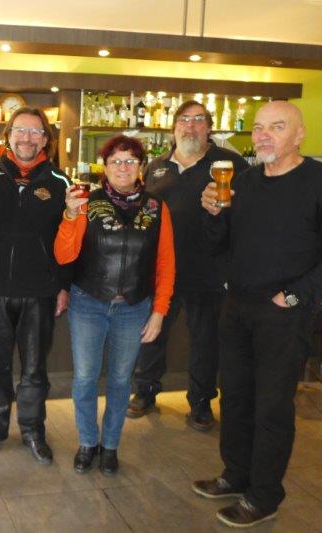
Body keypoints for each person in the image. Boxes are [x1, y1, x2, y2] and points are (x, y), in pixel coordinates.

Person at [194, 101, 322, 528]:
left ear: (299, 134)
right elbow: (220, 244)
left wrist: (296, 296)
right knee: (235, 396)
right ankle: (236, 475)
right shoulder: (244, 181)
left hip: (284, 312)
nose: (263, 135)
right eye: (259, 128)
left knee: (271, 406)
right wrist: (213, 215)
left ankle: (264, 496)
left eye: (277, 127)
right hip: (237, 305)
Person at [54, 135, 175, 475]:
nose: (123, 167)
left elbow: (166, 264)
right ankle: (87, 441)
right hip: (88, 303)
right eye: (116, 161)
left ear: (141, 167)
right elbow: (63, 255)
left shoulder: (157, 208)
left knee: (121, 380)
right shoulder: (86, 203)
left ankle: (110, 446)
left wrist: (159, 311)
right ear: (104, 168)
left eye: (130, 161)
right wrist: (70, 215)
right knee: (85, 378)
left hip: (134, 307)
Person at [0, 106, 70, 465]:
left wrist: (63, 285)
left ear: (46, 140)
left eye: (35, 132)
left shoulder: (60, 181)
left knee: (35, 367)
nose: (27, 138)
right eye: (20, 130)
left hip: (40, 288)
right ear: (7, 135)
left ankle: (33, 430)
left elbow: (69, 238)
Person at [128, 100, 249, 430]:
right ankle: (145, 391)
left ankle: (200, 401)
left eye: (198, 120)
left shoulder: (229, 165)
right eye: (184, 120)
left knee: (205, 341)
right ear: (174, 127)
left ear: (208, 127)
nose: (190, 126)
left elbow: (247, 214)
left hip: (209, 269)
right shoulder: (157, 166)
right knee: (152, 334)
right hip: (161, 268)